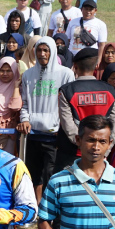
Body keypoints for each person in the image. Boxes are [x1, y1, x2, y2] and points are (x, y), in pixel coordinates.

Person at [19, 36, 75, 199]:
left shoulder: (65, 74)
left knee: (51, 174)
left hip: (54, 135)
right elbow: (25, 103)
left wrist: (63, 127)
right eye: (39, 50)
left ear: (53, 51)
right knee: (32, 173)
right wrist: (25, 120)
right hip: (33, 134)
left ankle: (49, 210)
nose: (42, 54)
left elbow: (69, 105)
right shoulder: (28, 74)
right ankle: (34, 208)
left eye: (46, 50)